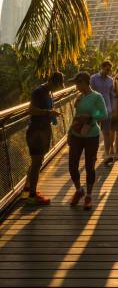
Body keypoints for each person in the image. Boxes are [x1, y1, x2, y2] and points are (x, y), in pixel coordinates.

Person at [23, 72, 65, 205]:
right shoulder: (39, 92)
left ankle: (27, 190)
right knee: (36, 163)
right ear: (52, 81)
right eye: (58, 85)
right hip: (36, 131)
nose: (57, 89)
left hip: (43, 129)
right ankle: (32, 196)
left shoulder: (48, 93)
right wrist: (49, 113)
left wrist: (51, 113)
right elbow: (31, 110)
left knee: (37, 161)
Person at [68, 72, 108, 210]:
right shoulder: (79, 97)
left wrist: (90, 119)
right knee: (72, 165)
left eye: (78, 83)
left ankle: (89, 196)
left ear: (85, 83)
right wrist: (69, 132)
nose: (76, 86)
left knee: (89, 165)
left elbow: (103, 114)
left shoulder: (97, 97)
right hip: (76, 135)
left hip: (91, 136)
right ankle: (79, 190)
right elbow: (77, 116)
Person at [90, 60, 114, 163]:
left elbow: (111, 95)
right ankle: (93, 154)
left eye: (109, 69)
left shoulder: (110, 80)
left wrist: (112, 108)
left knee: (107, 133)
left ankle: (107, 155)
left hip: (107, 110)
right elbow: (89, 93)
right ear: (102, 67)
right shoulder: (93, 78)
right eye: (107, 69)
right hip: (96, 110)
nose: (108, 71)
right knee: (93, 133)